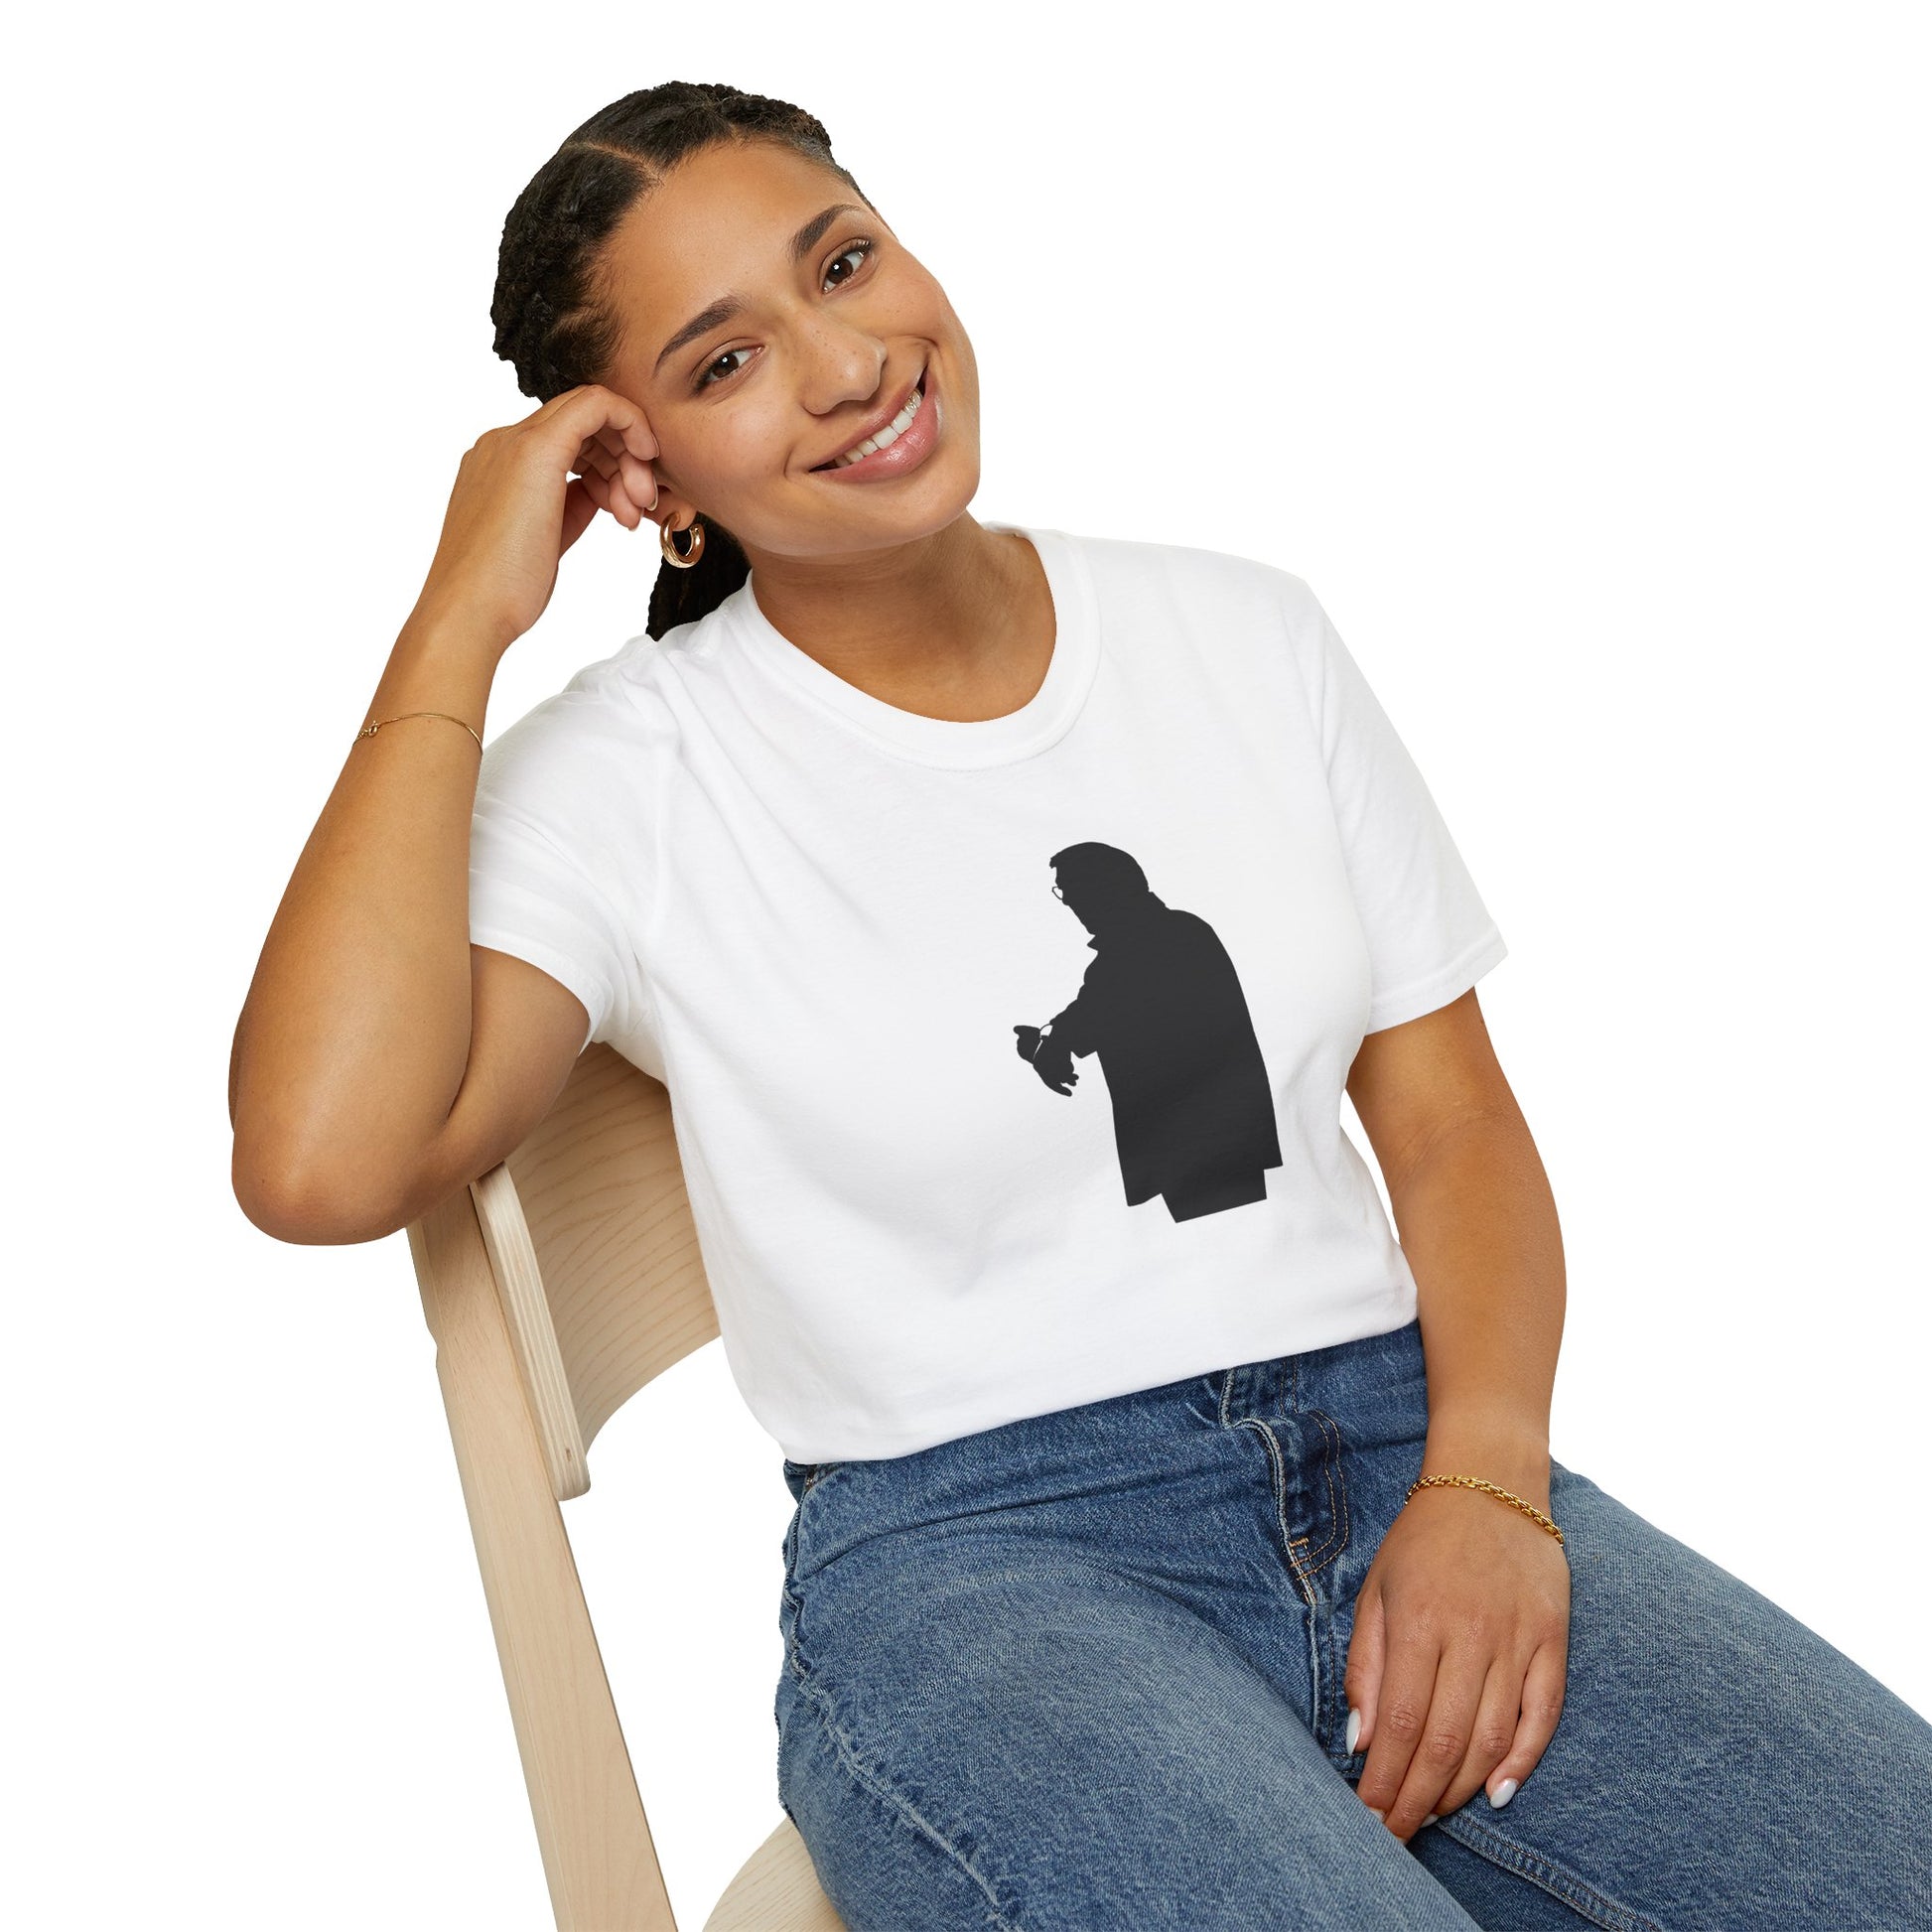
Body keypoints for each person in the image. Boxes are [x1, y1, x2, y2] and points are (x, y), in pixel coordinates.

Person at [228, 80, 1932, 1930]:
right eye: (726, 361)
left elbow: (1450, 1126)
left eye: (843, 264)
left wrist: (1489, 1482)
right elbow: (320, 1160)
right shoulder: (632, 776)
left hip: (1403, 1445)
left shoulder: (1245, 634)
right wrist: (457, 617)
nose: (847, 365)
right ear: (648, 480)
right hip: (981, 1565)